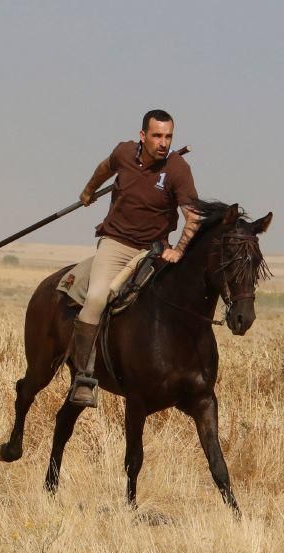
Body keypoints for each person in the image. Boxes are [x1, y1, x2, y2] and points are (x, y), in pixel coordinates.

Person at [69, 109, 201, 407]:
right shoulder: (124, 152)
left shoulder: (178, 169)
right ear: (143, 136)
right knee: (96, 299)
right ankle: (83, 377)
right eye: (157, 136)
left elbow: (192, 215)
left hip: (153, 250)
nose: (163, 142)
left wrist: (178, 250)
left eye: (168, 136)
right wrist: (89, 190)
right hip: (116, 244)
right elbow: (105, 168)